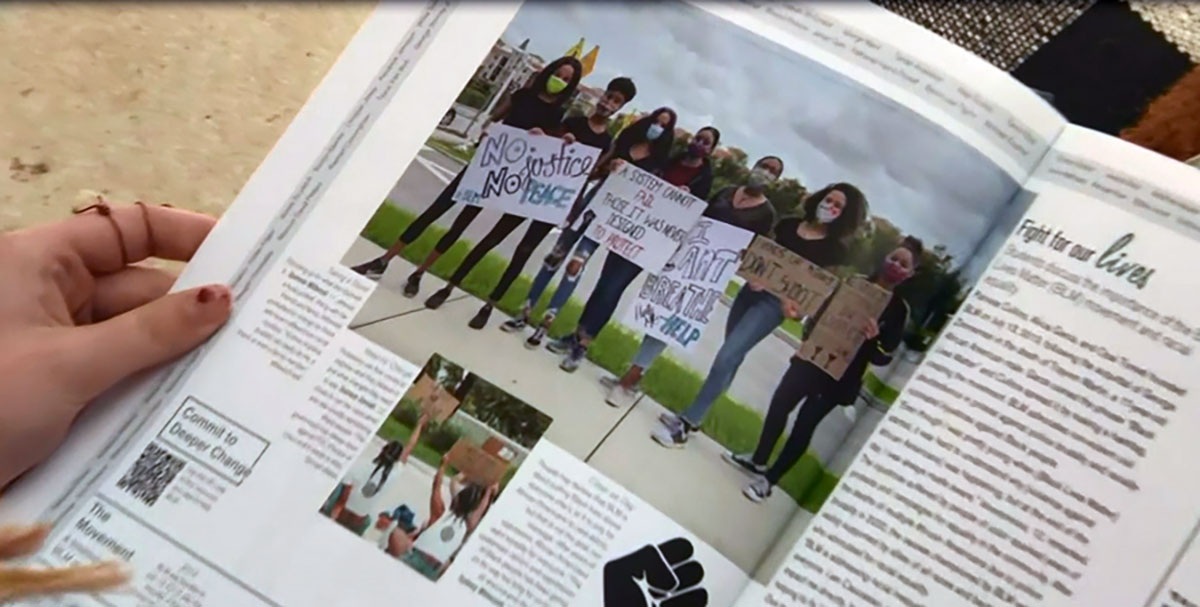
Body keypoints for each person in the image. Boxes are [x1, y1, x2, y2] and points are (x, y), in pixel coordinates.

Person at [651, 183, 869, 448]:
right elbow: (760, 254)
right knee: (731, 356)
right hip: (749, 293)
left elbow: (821, 289)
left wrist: (797, 309)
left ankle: (687, 422)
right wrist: (752, 273)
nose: (830, 207)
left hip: (773, 307)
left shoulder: (835, 250)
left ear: (844, 216)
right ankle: (698, 416)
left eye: (838, 206)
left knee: (727, 356)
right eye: (829, 200)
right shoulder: (788, 225)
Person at [417, 77, 638, 327]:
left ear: (621, 107)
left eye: (616, 101)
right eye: (608, 95)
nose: (608, 102)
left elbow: (592, 173)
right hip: (530, 191)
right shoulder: (573, 121)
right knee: (492, 238)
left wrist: (609, 168)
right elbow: (543, 145)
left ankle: (489, 305)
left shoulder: (607, 141)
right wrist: (553, 138)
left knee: (523, 252)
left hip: (555, 202)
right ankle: (448, 287)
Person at [349, 56, 584, 284]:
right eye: (558, 74)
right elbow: (493, 118)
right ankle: (384, 259)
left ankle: (419, 273)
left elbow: (551, 146)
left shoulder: (556, 114)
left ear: (569, 86)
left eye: (565, 79)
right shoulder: (523, 95)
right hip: (484, 163)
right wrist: (487, 130)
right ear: (549, 72)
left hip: (499, 177)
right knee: (436, 209)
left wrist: (549, 137)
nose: (559, 80)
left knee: (459, 226)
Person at [730, 237, 922, 502]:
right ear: (884, 258)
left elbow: (884, 357)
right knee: (780, 403)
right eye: (894, 258)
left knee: (805, 425)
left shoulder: (899, 310)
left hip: (841, 377)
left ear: (910, 274)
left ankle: (769, 480)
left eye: (903, 265)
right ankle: (758, 459)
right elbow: (822, 313)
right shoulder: (854, 283)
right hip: (811, 360)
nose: (896, 266)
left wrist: (874, 338)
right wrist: (807, 341)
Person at [600, 156, 785, 406]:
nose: (765, 172)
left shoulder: (766, 214)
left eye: (773, 171)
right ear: (754, 167)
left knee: (671, 321)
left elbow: (756, 249)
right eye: (764, 166)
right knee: (656, 314)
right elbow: (697, 216)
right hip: (684, 259)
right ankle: (634, 372)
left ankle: (631, 379)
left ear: (775, 180)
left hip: (708, 274)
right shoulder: (727, 192)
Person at [497, 108, 679, 347]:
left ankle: (546, 322)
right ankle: (525, 310)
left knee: (575, 266)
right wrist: (608, 167)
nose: (657, 127)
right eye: (655, 121)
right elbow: (595, 169)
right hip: (590, 203)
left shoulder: (658, 164)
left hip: (610, 218)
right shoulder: (624, 142)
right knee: (554, 257)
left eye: (663, 125)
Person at [549, 125, 722, 372]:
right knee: (602, 284)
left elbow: (697, 215)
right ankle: (576, 335)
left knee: (613, 289)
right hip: (627, 230)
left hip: (651, 243)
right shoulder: (669, 161)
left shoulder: (703, 180)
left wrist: (688, 197)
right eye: (698, 137)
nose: (699, 143)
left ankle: (584, 345)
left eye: (706, 142)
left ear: (711, 151)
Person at [386, 454, 499, 580]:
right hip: (434, 568)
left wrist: (443, 465)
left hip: (417, 557)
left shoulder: (440, 512)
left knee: (397, 534)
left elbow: (437, 485)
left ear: (456, 500)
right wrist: (489, 494)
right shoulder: (468, 525)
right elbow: (480, 510)